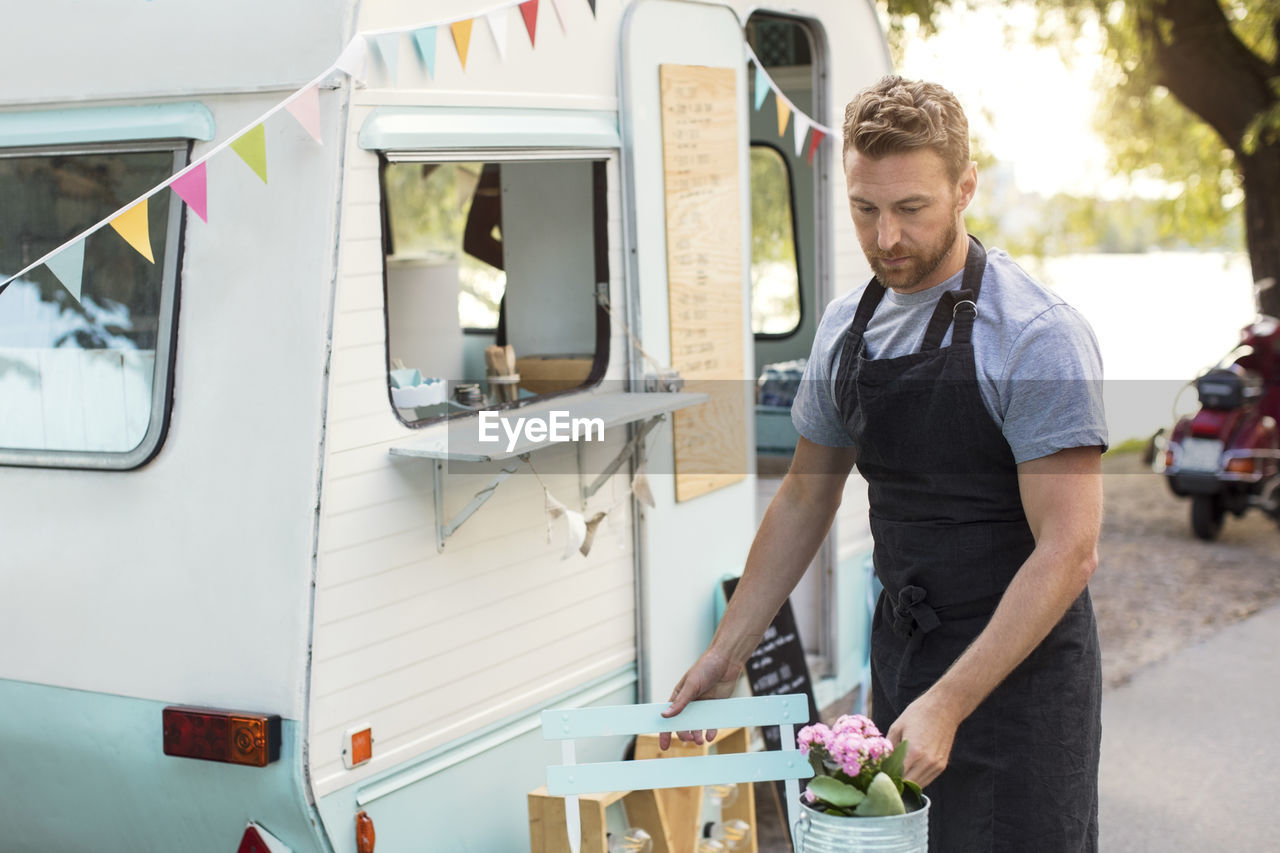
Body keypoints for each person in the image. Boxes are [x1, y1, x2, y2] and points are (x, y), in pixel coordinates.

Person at [659, 75, 1107, 852]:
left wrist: (951, 702)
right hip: (906, 654)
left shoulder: (1035, 336)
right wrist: (725, 653)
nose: (886, 238)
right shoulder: (844, 328)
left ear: (965, 188)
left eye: (910, 209)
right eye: (866, 210)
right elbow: (805, 493)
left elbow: (1069, 550)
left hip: (1020, 681)